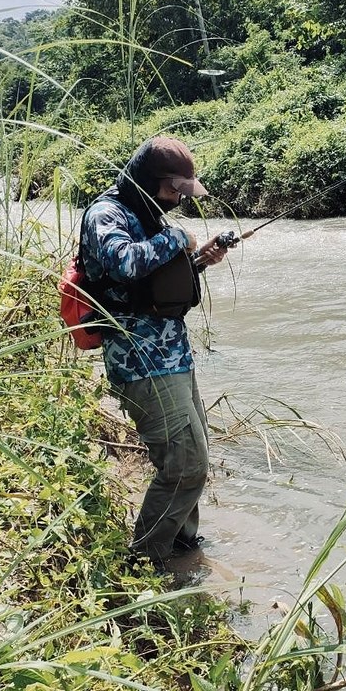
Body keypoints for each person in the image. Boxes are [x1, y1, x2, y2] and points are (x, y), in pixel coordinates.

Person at [79, 136, 228, 568]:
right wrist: (179, 239)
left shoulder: (153, 216)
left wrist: (199, 260)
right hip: (140, 362)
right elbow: (124, 262)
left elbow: (151, 286)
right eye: (173, 190)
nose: (179, 199)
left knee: (193, 454)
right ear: (147, 181)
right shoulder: (106, 213)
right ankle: (148, 561)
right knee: (186, 465)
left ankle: (183, 546)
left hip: (173, 357)